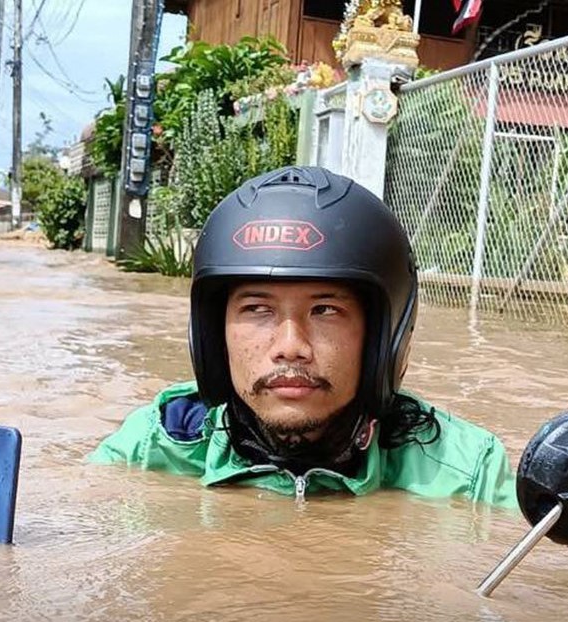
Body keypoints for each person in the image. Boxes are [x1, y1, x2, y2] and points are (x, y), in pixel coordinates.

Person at [88, 165, 516, 507]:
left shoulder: (465, 472)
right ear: (213, 335)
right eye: (258, 310)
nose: (290, 346)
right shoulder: (156, 445)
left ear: (381, 339)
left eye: (325, 311)